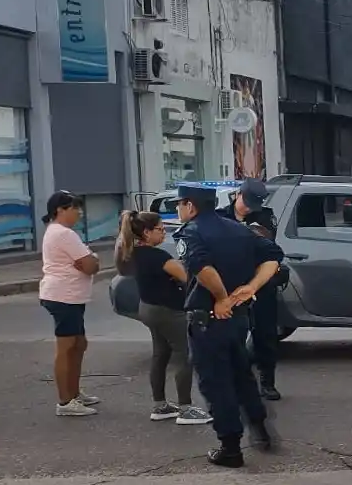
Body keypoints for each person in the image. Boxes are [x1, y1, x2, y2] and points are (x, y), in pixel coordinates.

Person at [174, 182, 283, 468]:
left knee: (215, 382)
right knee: (241, 374)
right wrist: (250, 287)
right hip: (239, 318)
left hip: (209, 319)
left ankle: (230, 447)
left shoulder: (192, 232)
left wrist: (222, 297)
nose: (178, 209)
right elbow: (274, 256)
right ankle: (258, 427)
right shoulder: (238, 229)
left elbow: (202, 268)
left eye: (180, 204)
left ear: (190, 206)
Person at [115, 210, 213, 426]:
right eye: (160, 230)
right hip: (169, 311)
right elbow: (188, 277)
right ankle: (186, 409)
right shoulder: (158, 257)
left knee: (160, 354)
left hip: (149, 308)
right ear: (147, 233)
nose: (163, 234)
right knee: (184, 355)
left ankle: (160, 405)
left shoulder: (135, 253)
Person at [216, 178, 285, 401]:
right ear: (238, 194)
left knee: (265, 334)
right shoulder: (219, 216)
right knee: (233, 335)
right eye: (245, 202)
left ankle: (267, 382)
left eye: (253, 204)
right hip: (231, 285)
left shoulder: (264, 216)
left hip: (261, 283)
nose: (247, 208)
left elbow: (267, 244)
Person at [38, 190, 101, 417]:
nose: (79, 213)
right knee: (67, 347)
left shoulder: (61, 233)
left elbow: (87, 262)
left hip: (70, 296)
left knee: (79, 344)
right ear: (60, 210)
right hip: (63, 296)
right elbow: (89, 265)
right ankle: (65, 402)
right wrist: (91, 260)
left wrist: (90, 260)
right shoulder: (64, 234)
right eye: (75, 208)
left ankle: (74, 392)